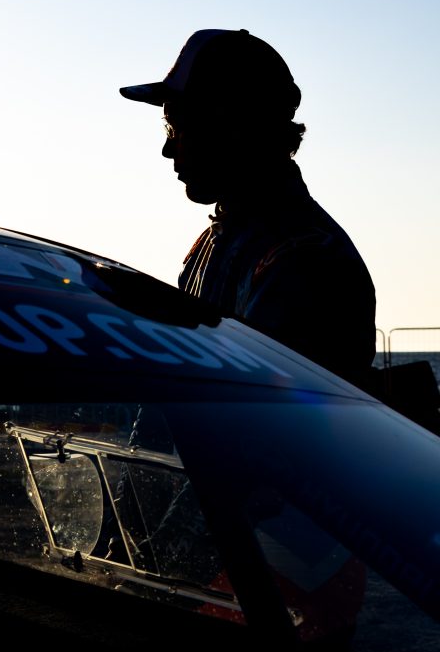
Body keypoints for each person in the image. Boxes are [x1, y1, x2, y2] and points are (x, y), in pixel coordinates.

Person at [120, 29, 376, 387]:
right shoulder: (214, 244)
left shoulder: (306, 259)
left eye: (177, 129)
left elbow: (259, 402)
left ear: (232, 128)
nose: (167, 149)